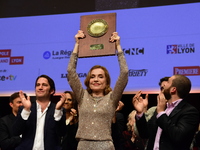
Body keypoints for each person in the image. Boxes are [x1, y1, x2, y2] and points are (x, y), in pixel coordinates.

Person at [67, 30, 128, 150]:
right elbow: (70, 71)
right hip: (83, 145)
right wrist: (77, 44)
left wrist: (118, 46)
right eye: (92, 76)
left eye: (100, 77)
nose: (96, 80)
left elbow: (124, 73)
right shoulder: (82, 96)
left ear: (106, 81)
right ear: (88, 80)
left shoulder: (112, 98)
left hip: (105, 146)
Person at [133, 74, 199, 150]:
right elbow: (145, 134)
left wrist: (161, 113)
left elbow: (178, 136)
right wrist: (140, 113)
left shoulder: (189, 111)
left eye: (168, 82)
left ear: (173, 89)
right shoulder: (163, 108)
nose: (164, 85)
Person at [13, 74, 66, 150]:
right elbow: (16, 131)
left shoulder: (58, 109)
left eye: (44, 85)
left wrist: (57, 111)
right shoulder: (25, 108)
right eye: (38, 85)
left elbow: (62, 133)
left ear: (52, 91)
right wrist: (26, 110)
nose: (40, 87)